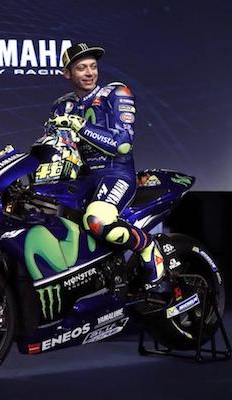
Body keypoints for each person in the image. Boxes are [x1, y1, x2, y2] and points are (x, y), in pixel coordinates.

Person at [46, 43, 165, 287]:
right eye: (81, 68)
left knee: (97, 221)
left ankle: (147, 245)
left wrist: (80, 126)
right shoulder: (61, 105)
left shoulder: (116, 93)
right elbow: (56, 145)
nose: (89, 73)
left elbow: (122, 144)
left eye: (93, 66)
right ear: (67, 73)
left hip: (115, 174)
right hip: (81, 178)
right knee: (48, 222)